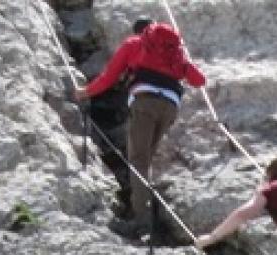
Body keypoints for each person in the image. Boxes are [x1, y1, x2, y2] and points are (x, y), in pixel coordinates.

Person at [75, 18, 208, 240]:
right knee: (144, 160)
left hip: (145, 102)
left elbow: (109, 77)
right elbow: (199, 80)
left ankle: (141, 221)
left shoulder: (134, 44)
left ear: (140, 33)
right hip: (170, 107)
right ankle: (144, 209)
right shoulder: (174, 52)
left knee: (138, 161)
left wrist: (85, 92)